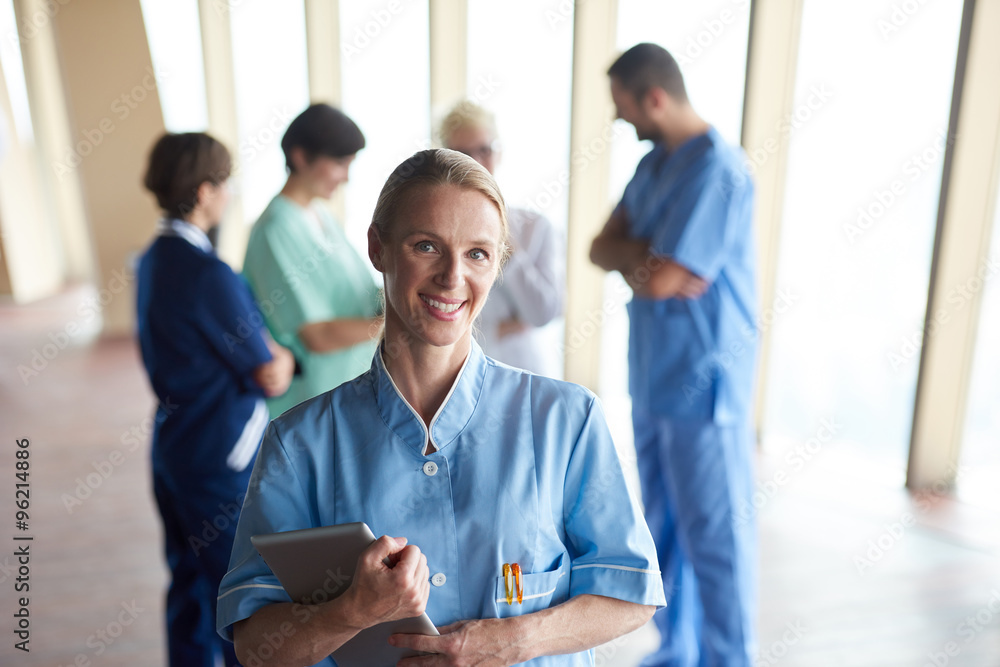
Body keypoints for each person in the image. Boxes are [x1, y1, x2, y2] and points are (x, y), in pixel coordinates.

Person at [217, 149, 666, 666]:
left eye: (477, 253)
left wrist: (513, 641)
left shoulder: (566, 420)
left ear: (497, 264)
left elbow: (630, 594)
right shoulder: (299, 445)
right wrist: (349, 611)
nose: (453, 277)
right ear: (378, 248)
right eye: (426, 246)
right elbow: (255, 646)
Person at [589, 43, 759, 667]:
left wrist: (642, 261)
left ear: (654, 98)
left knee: (716, 539)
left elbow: (661, 279)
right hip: (655, 379)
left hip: (704, 382)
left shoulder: (718, 169)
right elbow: (600, 248)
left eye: (624, 108)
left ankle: (728, 658)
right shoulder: (655, 163)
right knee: (662, 531)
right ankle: (678, 651)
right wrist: (646, 257)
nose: (620, 121)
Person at [137, 132, 295, 667]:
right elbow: (268, 369)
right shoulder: (209, 273)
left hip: (172, 447)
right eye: (225, 184)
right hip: (217, 456)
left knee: (187, 585)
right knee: (236, 599)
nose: (229, 195)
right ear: (205, 192)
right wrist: (289, 358)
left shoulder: (153, 261)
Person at [243, 103, 382, 417]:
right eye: (339, 163)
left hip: (350, 387)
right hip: (313, 402)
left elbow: (358, 294)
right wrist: (398, 327)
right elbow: (317, 336)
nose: (346, 177)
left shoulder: (321, 215)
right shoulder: (276, 229)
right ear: (301, 157)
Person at [440, 101, 564, 377]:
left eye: (484, 150)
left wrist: (499, 240)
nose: (475, 162)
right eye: (461, 153)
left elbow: (543, 312)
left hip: (522, 371)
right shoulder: (432, 231)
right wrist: (504, 326)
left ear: (499, 151)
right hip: (454, 374)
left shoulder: (536, 228)